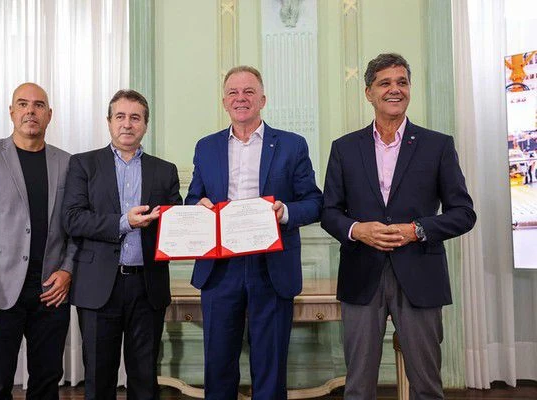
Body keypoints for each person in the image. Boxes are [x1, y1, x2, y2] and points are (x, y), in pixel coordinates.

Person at [321, 53, 476, 400]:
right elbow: (329, 212)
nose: (395, 89)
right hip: (361, 276)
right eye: (385, 83)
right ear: (369, 93)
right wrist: (357, 229)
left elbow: (464, 213)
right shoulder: (344, 148)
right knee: (358, 387)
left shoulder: (438, 145)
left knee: (427, 386)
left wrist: (416, 230)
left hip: (421, 275)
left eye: (402, 82)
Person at [185, 65, 323, 399]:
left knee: (270, 365)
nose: (241, 98)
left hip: (271, 265)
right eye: (233, 92)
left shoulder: (292, 145)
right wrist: (199, 206)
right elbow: (192, 198)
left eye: (249, 91)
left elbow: (314, 202)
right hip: (220, 267)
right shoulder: (206, 147)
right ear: (224, 102)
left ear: (263, 99)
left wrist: (285, 212)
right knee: (218, 364)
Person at [0, 82, 74, 400]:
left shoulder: (67, 163)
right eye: (22, 104)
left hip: (51, 292)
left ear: (49, 114)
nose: (30, 111)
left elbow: (76, 228)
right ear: (11, 112)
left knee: (47, 384)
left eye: (38, 105)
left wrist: (67, 270)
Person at [63, 90, 182, 400]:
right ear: (109, 121)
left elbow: (177, 224)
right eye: (120, 116)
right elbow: (73, 219)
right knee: (98, 378)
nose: (127, 124)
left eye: (135, 117)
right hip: (99, 287)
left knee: (144, 378)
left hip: (148, 286)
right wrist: (124, 222)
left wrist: (198, 216)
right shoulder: (83, 164)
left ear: (145, 125)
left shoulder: (165, 170)